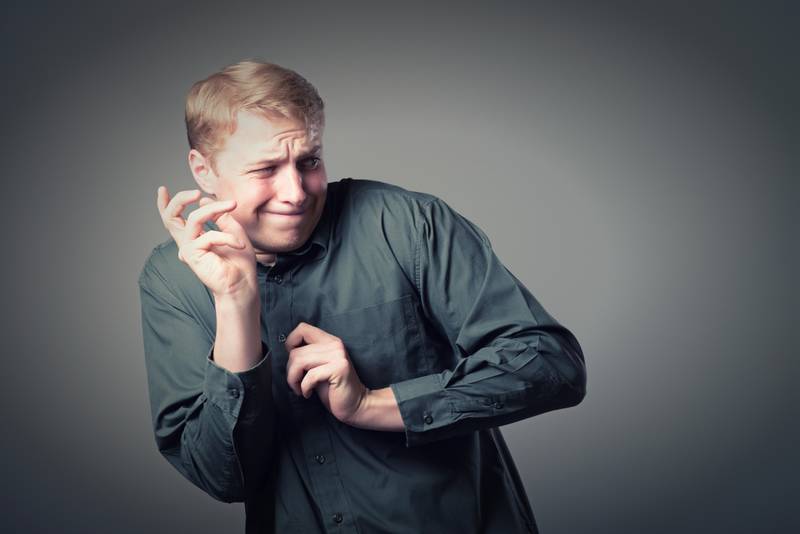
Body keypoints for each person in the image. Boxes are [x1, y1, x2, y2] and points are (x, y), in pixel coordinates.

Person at [138, 59, 587, 534]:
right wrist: (236, 304)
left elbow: (552, 364)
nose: (295, 192)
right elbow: (223, 477)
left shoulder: (409, 225)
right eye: (265, 168)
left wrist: (371, 404)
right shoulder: (172, 279)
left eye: (309, 161)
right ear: (204, 170)